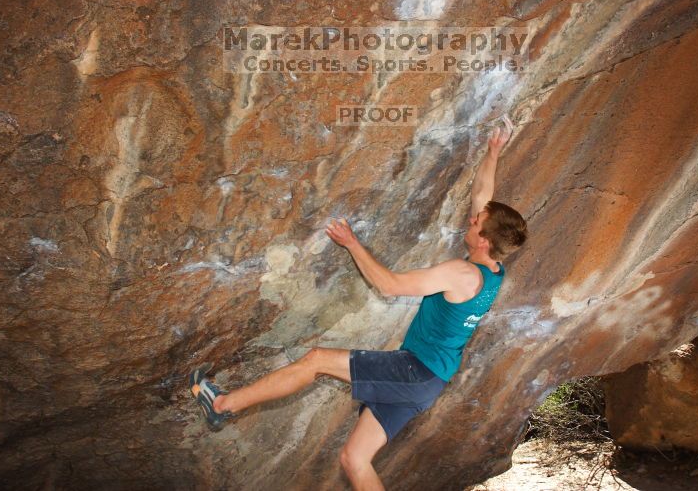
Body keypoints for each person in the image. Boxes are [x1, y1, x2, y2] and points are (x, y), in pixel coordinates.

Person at [189, 115, 528, 490]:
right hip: (428, 381)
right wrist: (494, 151)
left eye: (475, 222)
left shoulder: (461, 274)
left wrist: (353, 244)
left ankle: (223, 405)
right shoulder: (494, 268)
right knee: (355, 459)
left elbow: (389, 285)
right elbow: (483, 198)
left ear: (482, 240)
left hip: (413, 370)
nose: (471, 219)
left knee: (316, 360)